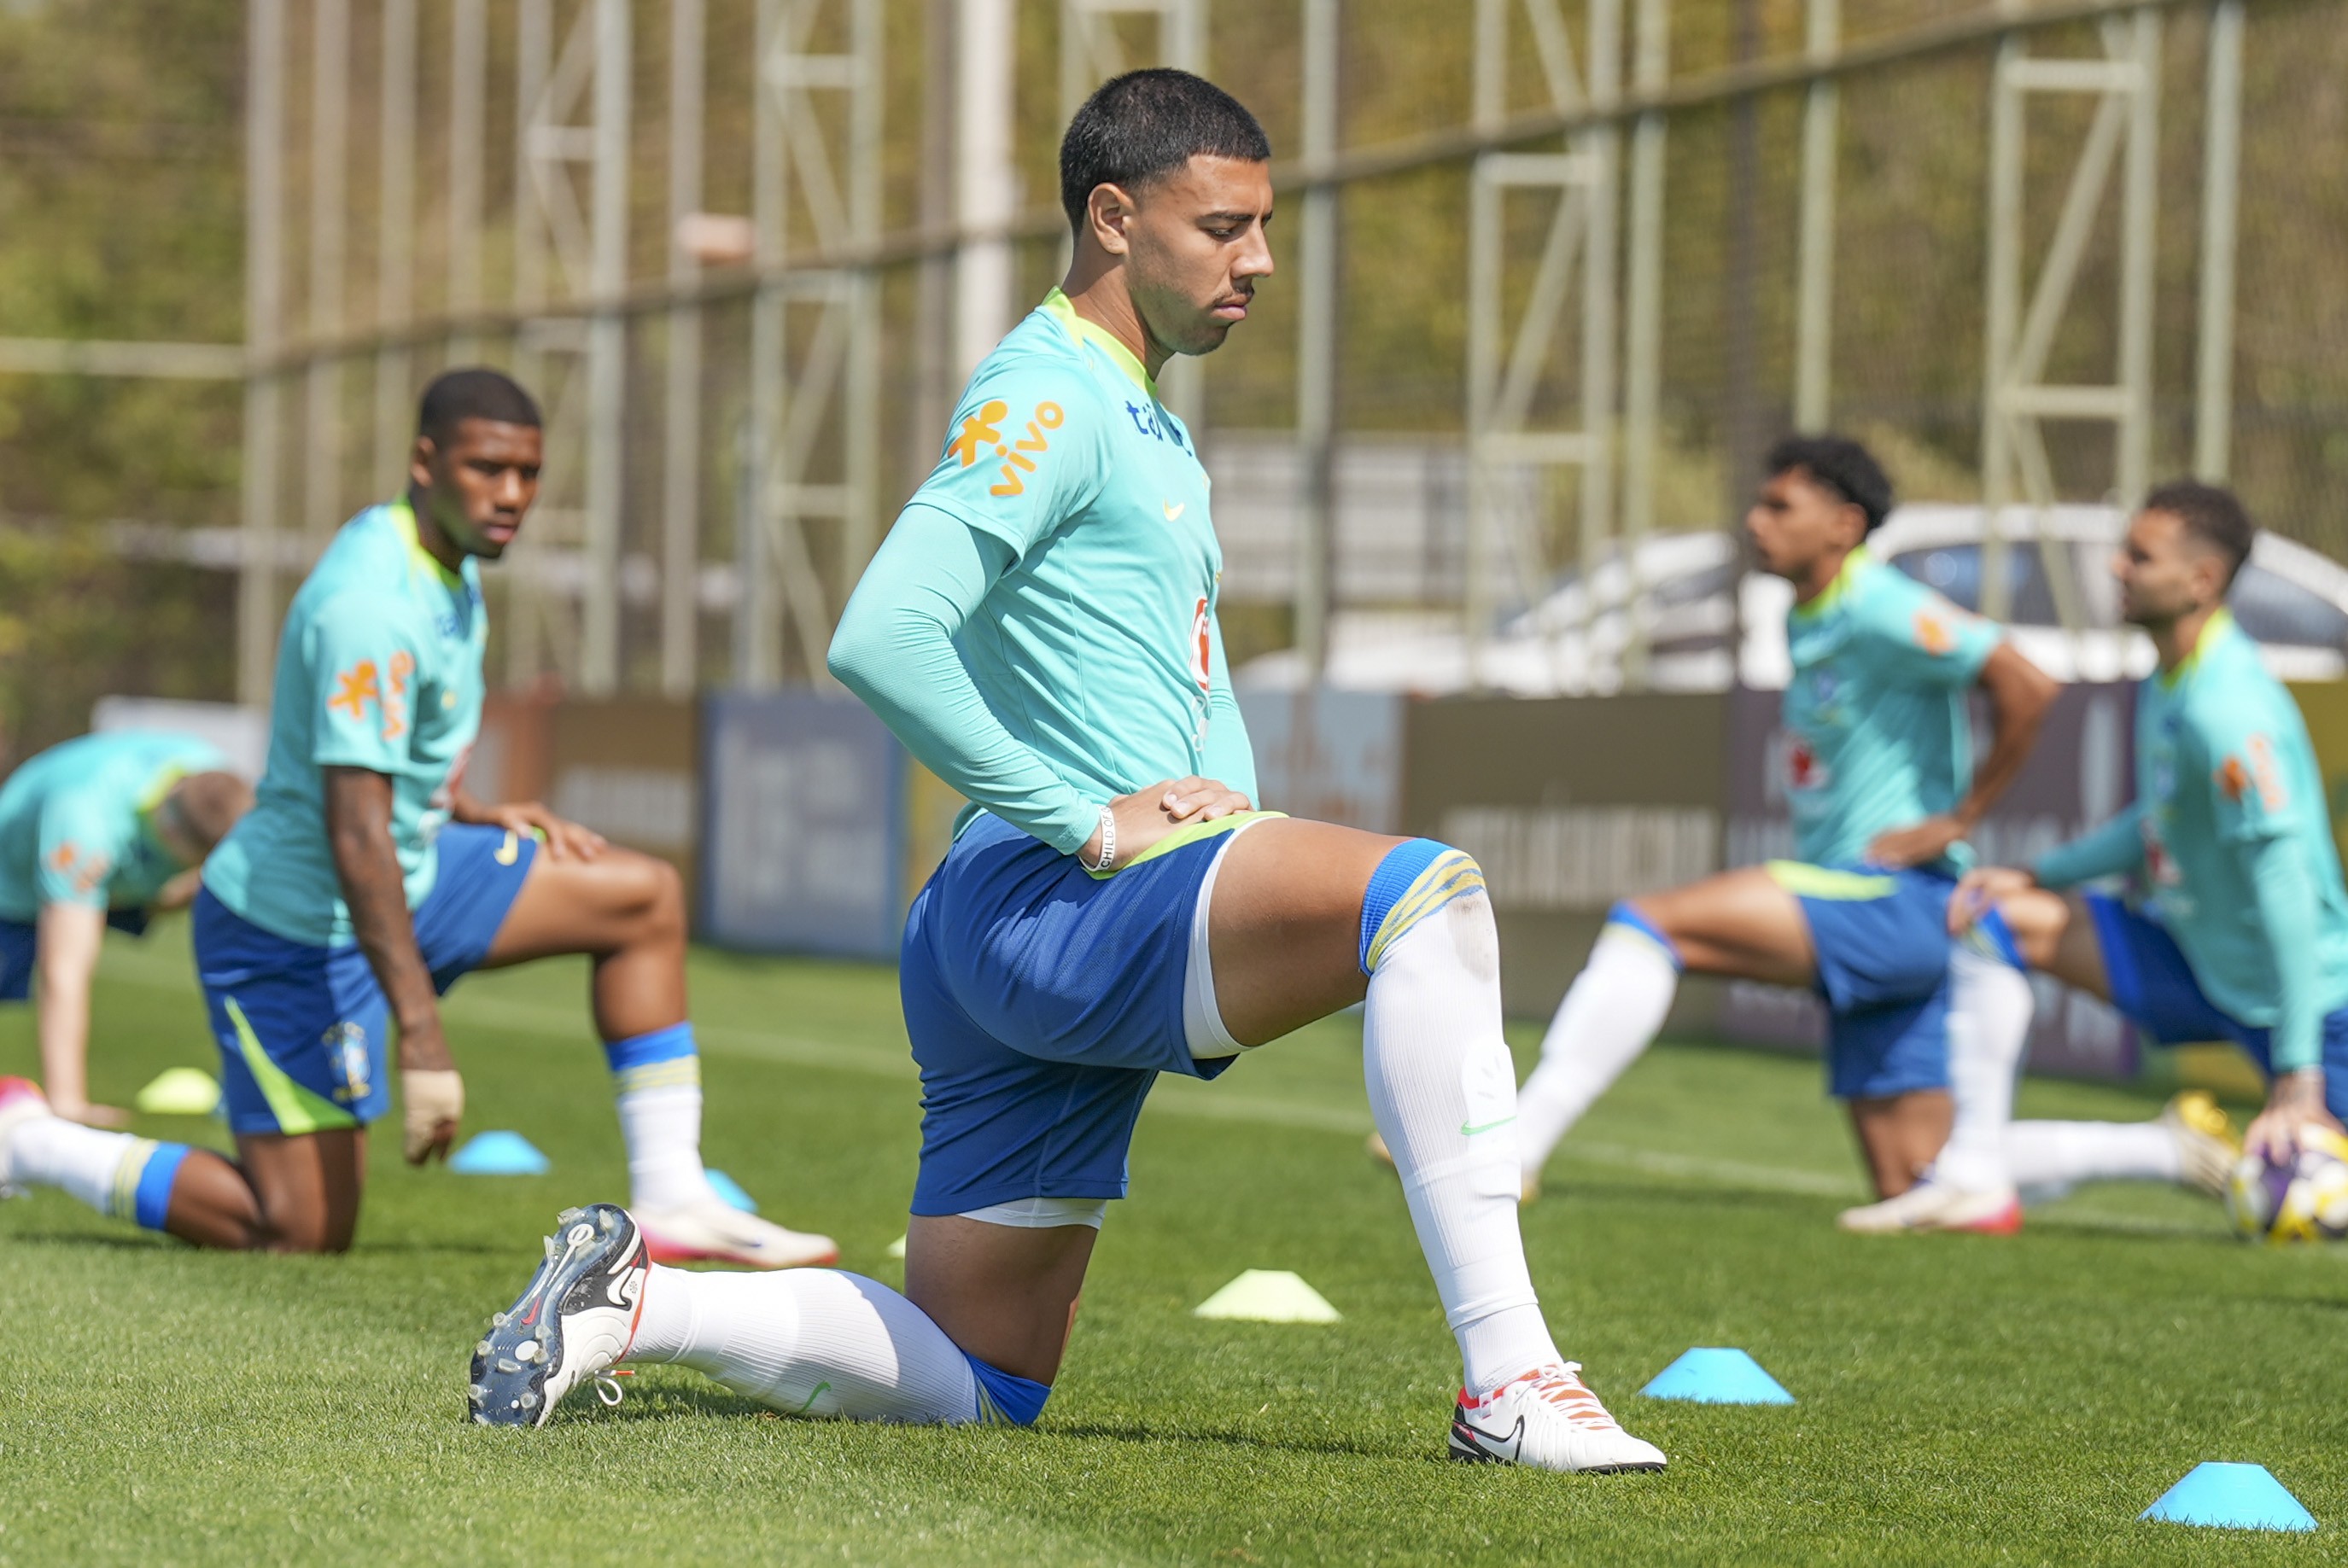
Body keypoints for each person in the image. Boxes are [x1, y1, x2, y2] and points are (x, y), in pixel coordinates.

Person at [466, 70, 1665, 1474]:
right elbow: (883, 632)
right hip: (1064, 901)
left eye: (1264, 227)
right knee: (1423, 899)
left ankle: (631, 1307)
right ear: (1114, 216)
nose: (1259, 261)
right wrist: (1088, 821)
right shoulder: (1050, 393)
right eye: (1223, 227)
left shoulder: (1138, 406)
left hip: (1010, 926)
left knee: (980, 1380)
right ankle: (1510, 1379)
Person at [0, 369, 833, 1267]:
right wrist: (423, 1036)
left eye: (528, 472)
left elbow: (383, 772)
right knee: (300, 1231)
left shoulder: (443, 558)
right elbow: (353, 833)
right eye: (487, 469)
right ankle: (35, 1141)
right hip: (290, 930)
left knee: (638, 897)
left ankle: (673, 1194)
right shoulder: (371, 603)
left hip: (413, 869)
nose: (511, 494)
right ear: (426, 462)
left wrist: (464, 807)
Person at [1502, 436, 2059, 1233]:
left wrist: (1960, 818)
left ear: (1843, 525)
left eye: (1779, 507)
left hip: (1889, 897)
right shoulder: (1811, 612)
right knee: (1926, 1187)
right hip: (1865, 906)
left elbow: (2028, 683)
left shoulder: (1878, 601)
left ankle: (1519, 1142)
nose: (1755, 522)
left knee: (1651, 922)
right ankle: (2169, 1155)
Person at [1948, 481, 2331, 1197]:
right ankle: (1968, 1174)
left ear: (2201, 580)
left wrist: (2298, 1073)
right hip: (2192, 961)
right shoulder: (2170, 676)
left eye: (2138, 556)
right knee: (1993, 917)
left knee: (2321, 1193)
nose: (2116, 568)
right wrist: (2036, 875)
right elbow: (2155, 820)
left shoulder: (2230, 707)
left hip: (2310, 1004)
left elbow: (2286, 885)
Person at [0, 731, 252, 1125]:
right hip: (14, 890)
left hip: (126, 870)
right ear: (173, 836)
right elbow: (63, 971)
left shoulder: (212, 775)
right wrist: (69, 1105)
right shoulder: (83, 822)